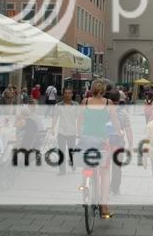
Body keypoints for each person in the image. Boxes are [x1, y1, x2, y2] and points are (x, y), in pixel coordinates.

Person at [79, 81, 121, 219]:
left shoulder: (85, 102)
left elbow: (79, 121)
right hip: (102, 141)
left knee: (86, 164)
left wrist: (79, 134)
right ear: (104, 91)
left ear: (91, 90)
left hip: (85, 138)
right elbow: (115, 122)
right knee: (104, 173)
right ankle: (103, 207)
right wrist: (119, 133)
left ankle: (84, 185)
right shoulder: (109, 103)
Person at [108, 89, 133, 194]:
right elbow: (128, 130)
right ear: (119, 100)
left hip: (105, 142)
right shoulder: (123, 113)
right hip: (118, 143)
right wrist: (131, 144)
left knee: (103, 167)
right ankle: (115, 188)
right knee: (117, 167)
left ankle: (102, 186)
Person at [53, 87, 80, 175]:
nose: (67, 95)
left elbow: (79, 118)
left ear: (72, 94)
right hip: (61, 131)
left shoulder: (76, 105)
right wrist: (52, 127)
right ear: (63, 94)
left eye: (69, 93)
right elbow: (55, 117)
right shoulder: (58, 105)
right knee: (61, 151)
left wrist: (79, 129)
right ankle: (62, 170)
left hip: (72, 131)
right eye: (66, 93)